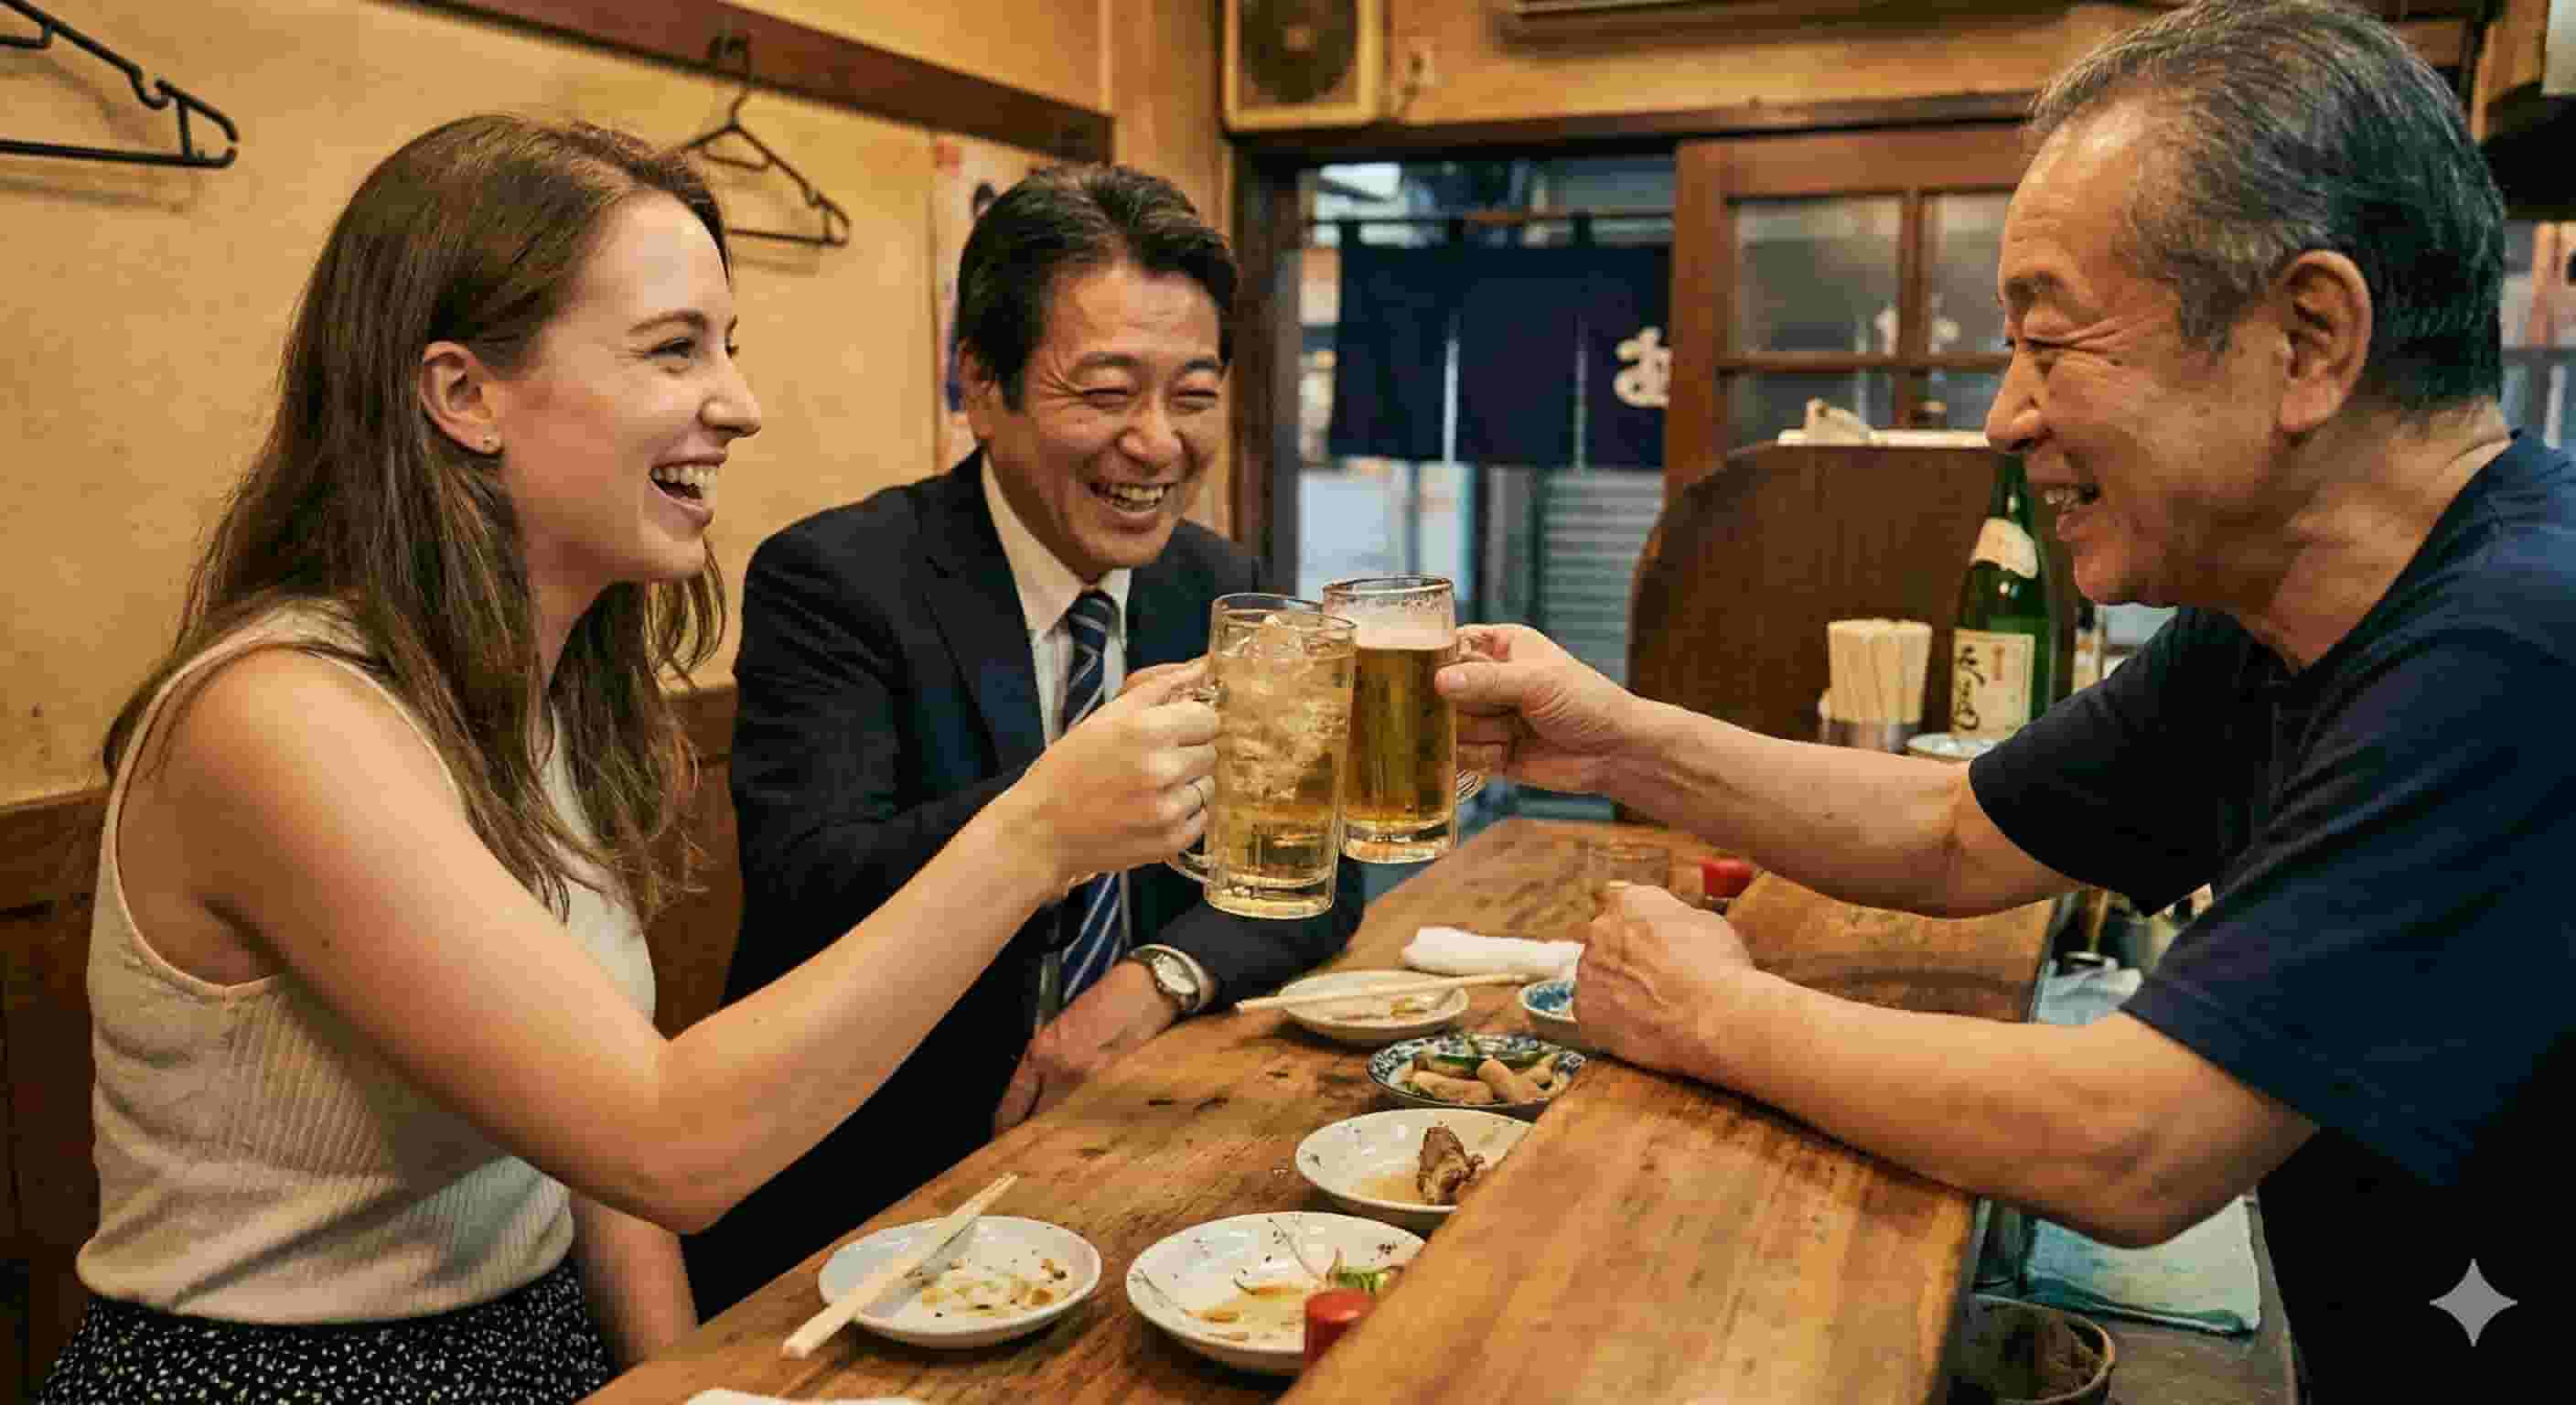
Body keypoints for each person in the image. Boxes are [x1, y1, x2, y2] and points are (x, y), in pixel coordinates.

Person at [1433, 2, 2569, 1397]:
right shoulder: (2291, 610)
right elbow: (1962, 833)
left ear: (2309, 339)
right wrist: (1609, 734)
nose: (2005, 416)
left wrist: (1703, 1010)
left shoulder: (2521, 643)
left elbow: (2134, 1143)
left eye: (2050, 340)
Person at [36, 116, 1214, 1402]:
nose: (740, 405)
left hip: (540, 1345)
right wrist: (1037, 832)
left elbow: (591, 1157)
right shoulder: (280, 721)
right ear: (463, 394)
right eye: (673, 350)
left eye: (728, 348)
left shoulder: (537, 696)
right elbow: (667, 1141)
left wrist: (684, 1378)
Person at [684, 164, 1360, 1314]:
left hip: (1134, 1162)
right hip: (876, 1193)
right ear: (979, 387)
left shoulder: (1218, 583)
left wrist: (1153, 980)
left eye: (1192, 395)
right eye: (1103, 394)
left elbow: (1310, 869)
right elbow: (810, 889)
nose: (1155, 445)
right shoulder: (839, 579)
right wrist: (1050, 815)